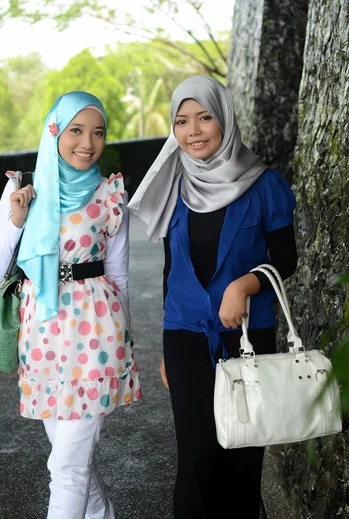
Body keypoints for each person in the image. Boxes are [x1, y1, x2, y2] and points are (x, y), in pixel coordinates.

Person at [127, 75, 297, 519]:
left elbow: (287, 260)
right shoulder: (176, 184)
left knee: (242, 454)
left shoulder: (265, 185)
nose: (193, 131)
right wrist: (167, 344)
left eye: (204, 117)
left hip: (247, 336)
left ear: (224, 119)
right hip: (184, 334)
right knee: (197, 452)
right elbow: (171, 268)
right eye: (182, 121)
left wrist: (244, 284)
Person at [0, 91, 142, 519]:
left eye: (97, 133)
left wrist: (125, 346)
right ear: (54, 130)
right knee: (70, 458)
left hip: (96, 337)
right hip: (41, 337)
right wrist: (17, 221)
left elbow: (120, 274)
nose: (87, 143)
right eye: (76, 130)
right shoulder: (22, 189)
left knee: (67, 468)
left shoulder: (111, 195)